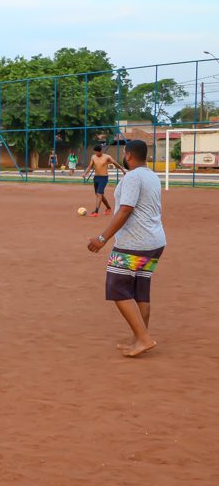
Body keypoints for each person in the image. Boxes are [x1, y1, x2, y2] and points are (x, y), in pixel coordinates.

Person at [86, 140, 165, 358]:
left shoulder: (132, 177)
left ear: (129, 155)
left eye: (123, 152)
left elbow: (125, 210)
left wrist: (102, 238)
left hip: (134, 244)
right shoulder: (151, 175)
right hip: (155, 242)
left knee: (117, 289)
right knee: (140, 291)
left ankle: (143, 338)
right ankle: (139, 338)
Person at [83, 145, 125, 217]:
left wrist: (122, 169)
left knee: (99, 194)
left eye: (97, 152)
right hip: (96, 178)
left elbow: (115, 163)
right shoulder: (93, 157)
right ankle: (108, 208)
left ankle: (96, 211)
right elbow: (90, 166)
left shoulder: (107, 157)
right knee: (99, 194)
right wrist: (85, 173)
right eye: (95, 152)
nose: (96, 154)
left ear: (101, 151)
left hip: (104, 178)